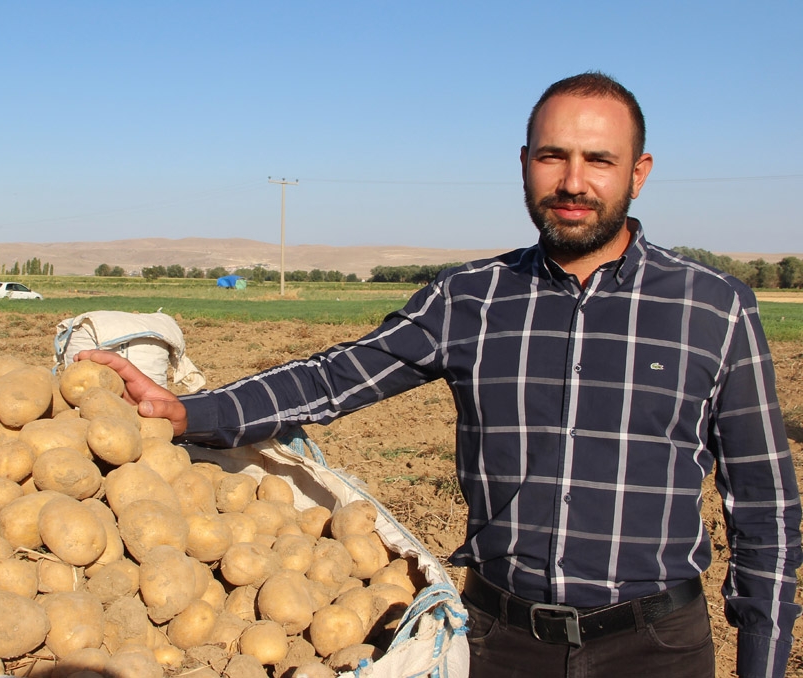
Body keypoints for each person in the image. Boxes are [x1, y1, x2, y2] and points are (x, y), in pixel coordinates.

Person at [78, 72, 802, 678]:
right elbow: (338, 376)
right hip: (503, 644)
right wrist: (189, 413)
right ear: (524, 164)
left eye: (599, 160)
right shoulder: (471, 299)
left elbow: (765, 512)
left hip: (656, 648)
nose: (573, 182)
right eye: (553, 157)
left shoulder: (712, 308)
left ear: (638, 173)